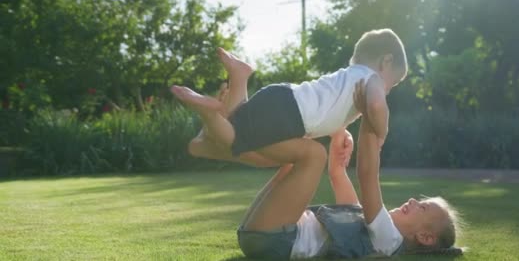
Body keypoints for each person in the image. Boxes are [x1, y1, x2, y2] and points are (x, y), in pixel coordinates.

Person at [172, 41, 463, 258]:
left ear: (424, 237)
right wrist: (339, 138)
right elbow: (337, 174)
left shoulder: (390, 240)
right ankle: (214, 139)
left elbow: (367, 175)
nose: (414, 200)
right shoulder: (366, 220)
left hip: (276, 241)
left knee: (312, 154)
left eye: (423, 207)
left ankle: (217, 123)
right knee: (295, 150)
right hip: (263, 234)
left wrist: (371, 127)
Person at [170, 28, 407, 170]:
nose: (387, 91)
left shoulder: (350, 76)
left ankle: (239, 76)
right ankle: (209, 112)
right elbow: (377, 106)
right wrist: (382, 133)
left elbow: (330, 107)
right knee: (235, 139)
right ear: (385, 62)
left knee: (237, 120)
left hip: (283, 97)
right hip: (290, 113)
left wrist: (340, 129)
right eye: (392, 84)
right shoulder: (373, 79)